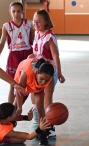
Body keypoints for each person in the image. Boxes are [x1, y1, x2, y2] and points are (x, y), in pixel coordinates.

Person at [28, 9, 66, 138]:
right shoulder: (37, 34)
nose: (36, 24)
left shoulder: (49, 36)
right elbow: (38, 52)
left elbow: (55, 55)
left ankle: (50, 126)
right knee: (36, 96)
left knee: (47, 101)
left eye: (38, 21)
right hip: (38, 70)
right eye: (34, 21)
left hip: (49, 72)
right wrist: (31, 56)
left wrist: (59, 73)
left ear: (46, 22)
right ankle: (38, 120)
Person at [0, 2, 34, 103]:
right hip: (14, 55)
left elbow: (34, 39)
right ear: (10, 12)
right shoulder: (6, 26)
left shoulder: (29, 24)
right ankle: (10, 109)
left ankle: (22, 106)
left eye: (18, 11)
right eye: (14, 11)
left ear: (22, 11)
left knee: (29, 82)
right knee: (12, 84)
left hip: (27, 54)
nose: (16, 13)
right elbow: (2, 42)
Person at [14, 57, 55, 146]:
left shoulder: (49, 78)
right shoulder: (26, 73)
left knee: (40, 104)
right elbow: (19, 92)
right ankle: (9, 126)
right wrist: (20, 108)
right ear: (37, 73)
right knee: (15, 107)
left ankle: (42, 133)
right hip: (24, 78)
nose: (43, 82)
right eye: (42, 79)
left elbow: (47, 102)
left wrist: (50, 118)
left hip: (35, 83)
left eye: (46, 80)